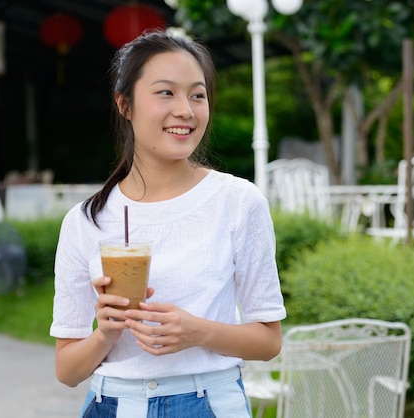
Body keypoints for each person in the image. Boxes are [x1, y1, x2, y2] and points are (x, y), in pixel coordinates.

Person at [50, 30, 286, 417]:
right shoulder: (86, 221)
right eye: (166, 93)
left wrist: (198, 332)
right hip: (112, 404)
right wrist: (106, 332)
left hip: (208, 403)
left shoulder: (238, 201)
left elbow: (268, 341)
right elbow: (67, 370)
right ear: (125, 104)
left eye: (197, 94)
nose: (186, 110)